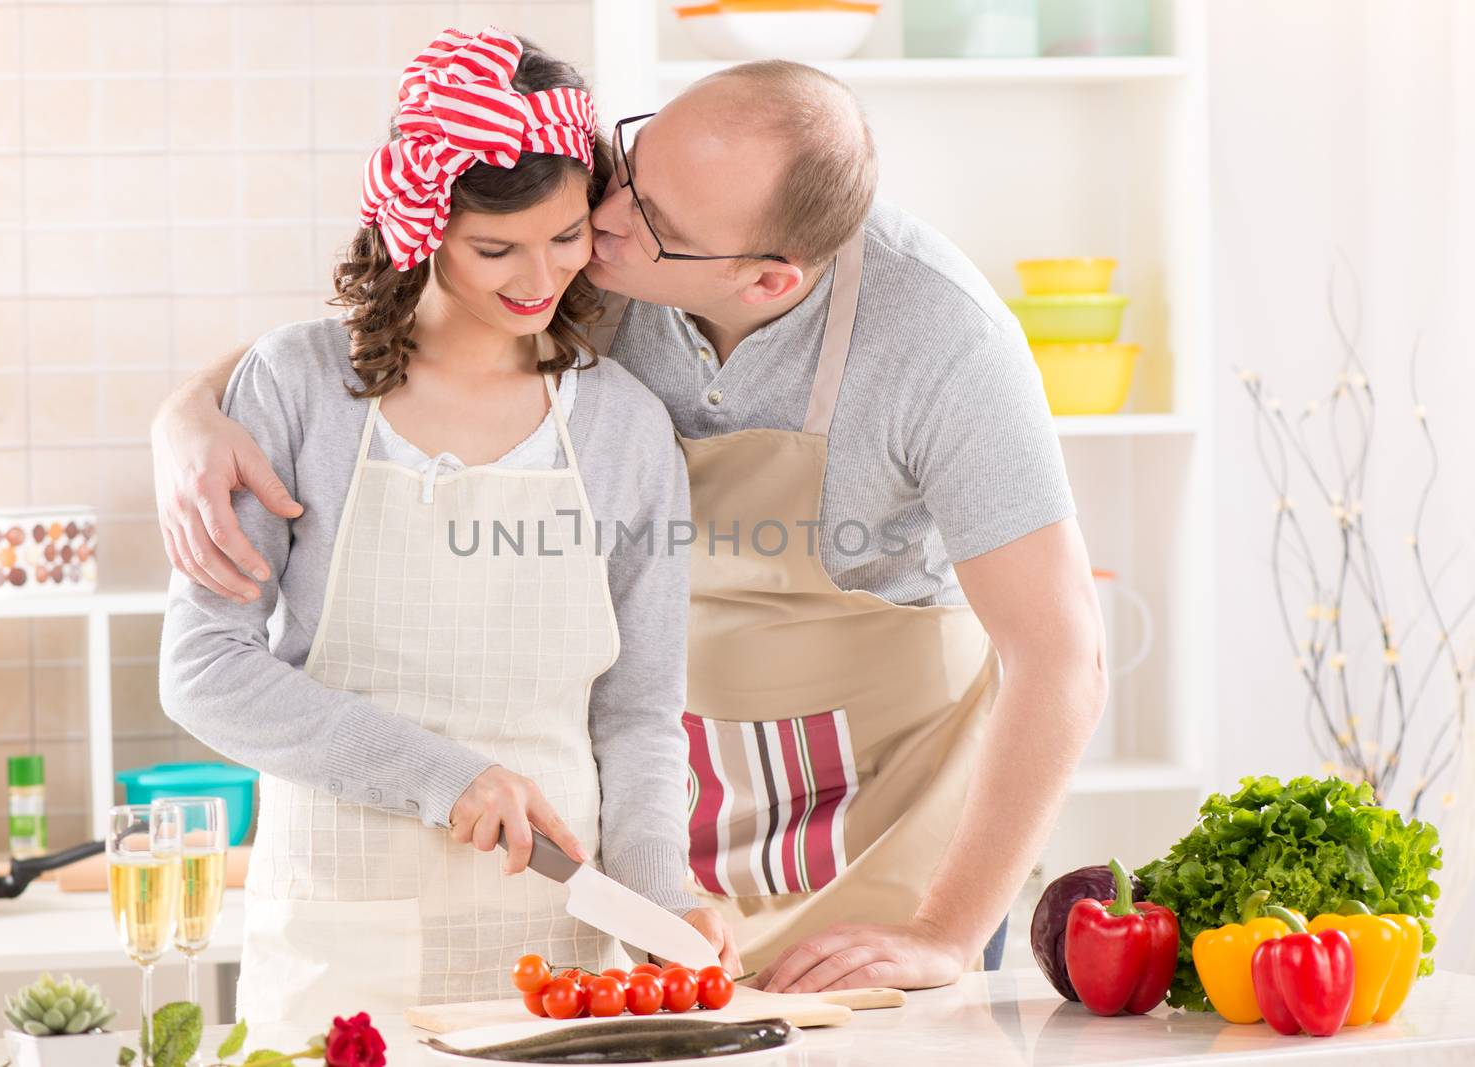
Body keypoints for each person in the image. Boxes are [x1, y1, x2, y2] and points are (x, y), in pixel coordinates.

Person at [155, 56, 1107, 994]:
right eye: (630, 163)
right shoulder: (586, 252)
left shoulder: (941, 343)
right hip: (665, 815)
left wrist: (944, 930)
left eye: (639, 218)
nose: (601, 221)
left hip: (880, 817)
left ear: (764, 279)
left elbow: (1062, 657)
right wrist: (188, 412)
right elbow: (372, 336)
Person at [157, 28, 735, 1023]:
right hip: (340, 956)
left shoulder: (623, 426)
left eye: (563, 237)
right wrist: (443, 773)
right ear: (421, 224)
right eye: (494, 248)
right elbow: (205, 668)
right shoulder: (299, 387)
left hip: (562, 959)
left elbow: (638, 711)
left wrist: (658, 889)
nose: (538, 277)